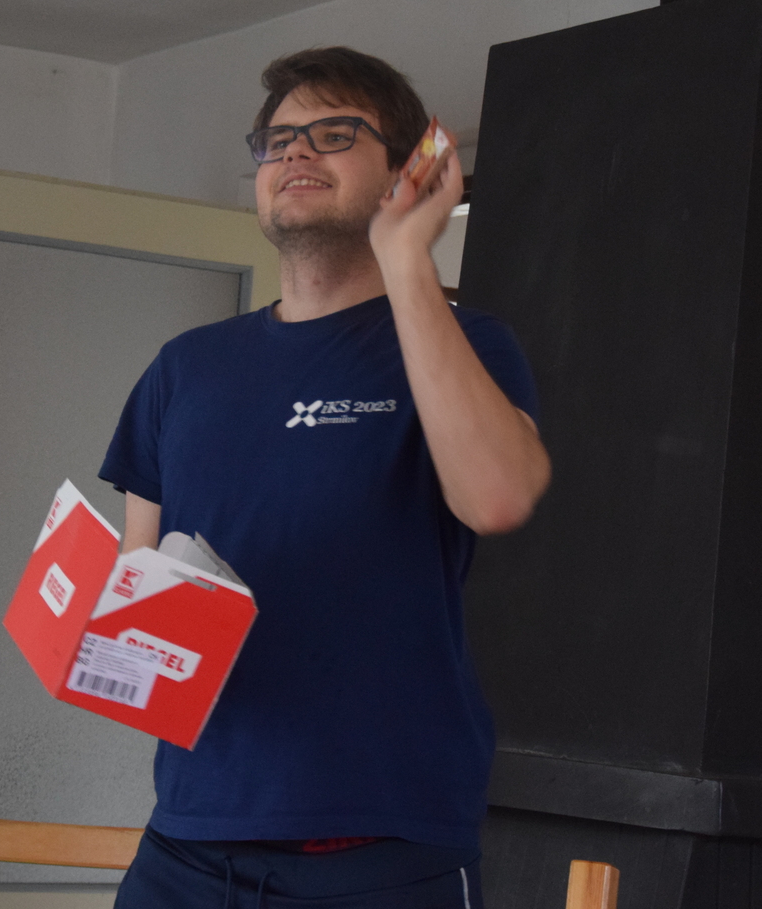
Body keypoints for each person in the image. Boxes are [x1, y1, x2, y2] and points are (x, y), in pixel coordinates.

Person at [100, 47, 551, 908]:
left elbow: (498, 498)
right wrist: (100, 638)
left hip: (384, 847)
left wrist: (408, 257)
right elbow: (140, 581)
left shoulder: (469, 344)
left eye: (335, 133)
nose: (297, 152)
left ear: (403, 174)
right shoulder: (184, 369)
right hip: (189, 842)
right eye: (278, 141)